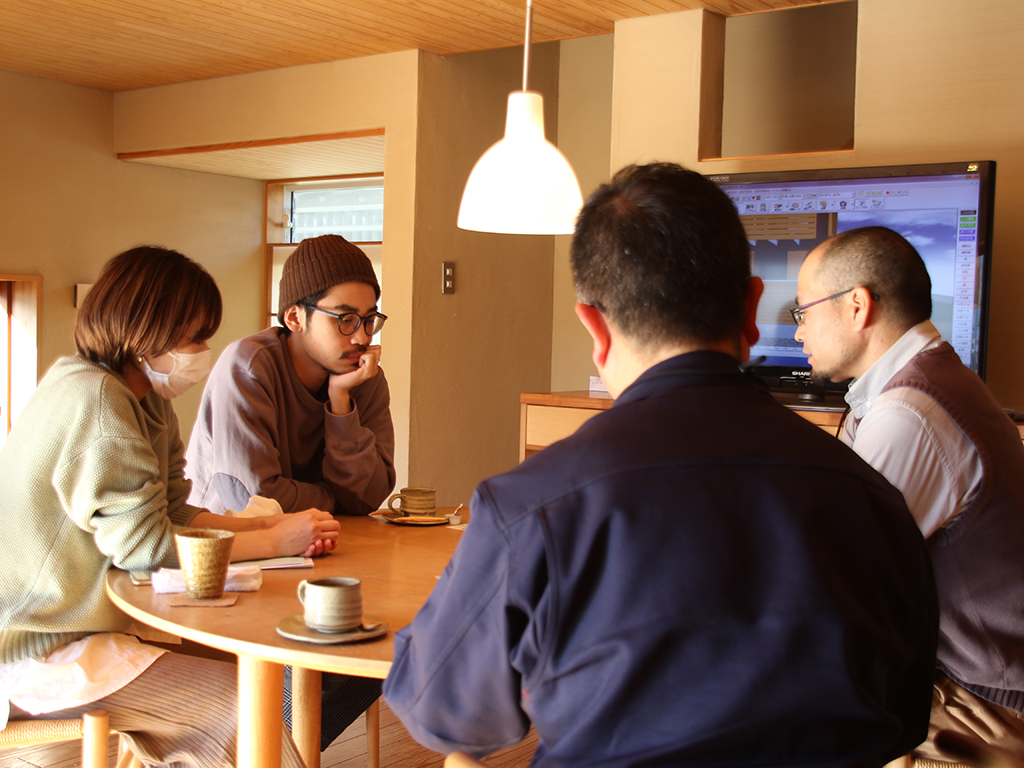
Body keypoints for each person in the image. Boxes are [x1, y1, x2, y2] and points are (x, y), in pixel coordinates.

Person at [382, 163, 939, 768]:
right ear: (754, 307)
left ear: (593, 325)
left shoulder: (531, 505)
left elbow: (446, 714)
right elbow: (906, 715)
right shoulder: (874, 498)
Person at [0, 246, 338, 768]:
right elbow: (147, 548)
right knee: (240, 701)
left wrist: (270, 522)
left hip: (81, 622)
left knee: (260, 668)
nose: (203, 350)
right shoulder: (97, 403)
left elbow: (173, 510)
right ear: (146, 332)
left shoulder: (142, 397)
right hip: (39, 645)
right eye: (193, 336)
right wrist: (274, 541)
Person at [793, 225, 1024, 763]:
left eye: (802, 311)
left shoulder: (909, 416)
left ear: (856, 306)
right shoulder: (921, 382)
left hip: (987, 703)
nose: (798, 332)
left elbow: (829, 585)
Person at [185, 233, 395, 749]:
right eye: (344, 318)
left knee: (396, 641)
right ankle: (255, 748)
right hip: (232, 564)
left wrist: (341, 407)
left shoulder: (364, 380)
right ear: (295, 317)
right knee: (351, 656)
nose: (361, 335)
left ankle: (261, 747)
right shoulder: (248, 366)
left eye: (370, 318)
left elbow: (368, 495)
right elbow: (253, 500)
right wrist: (331, 498)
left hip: (318, 555)